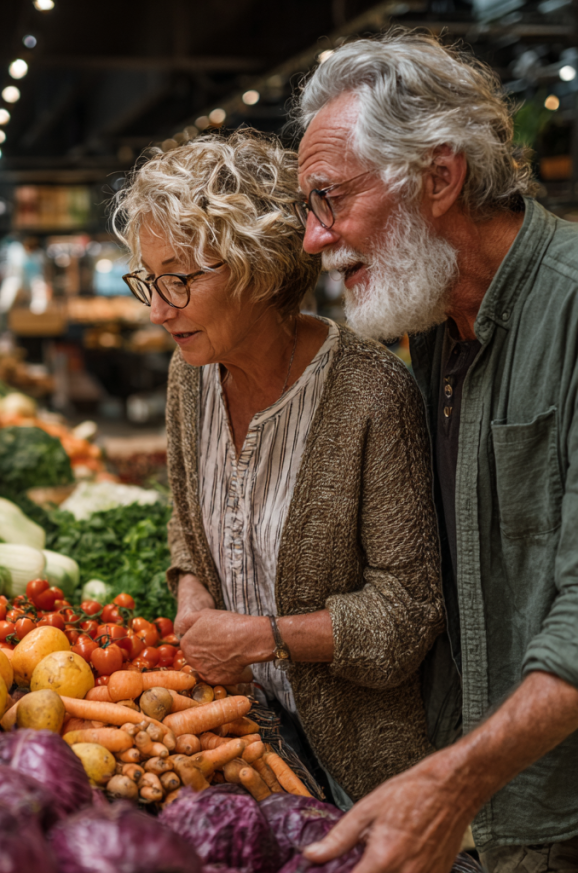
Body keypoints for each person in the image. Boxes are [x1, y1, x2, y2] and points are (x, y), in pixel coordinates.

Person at [295, 28, 578, 873]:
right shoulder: (433, 327)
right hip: (482, 811)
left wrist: (452, 783)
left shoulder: (567, 312)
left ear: (439, 176)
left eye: (329, 199)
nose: (316, 239)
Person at [111, 129, 445, 804]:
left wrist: (264, 639)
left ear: (256, 267)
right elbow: (190, 515)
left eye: (176, 277)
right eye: (147, 279)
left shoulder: (370, 394)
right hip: (241, 744)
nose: (155, 307)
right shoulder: (189, 376)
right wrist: (190, 591)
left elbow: (407, 613)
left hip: (364, 774)